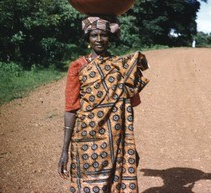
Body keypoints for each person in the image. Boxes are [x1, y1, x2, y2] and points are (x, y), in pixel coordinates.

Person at [58, 16, 149, 193]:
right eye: (94, 35)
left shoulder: (121, 66)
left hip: (115, 140)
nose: (99, 40)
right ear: (87, 39)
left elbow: (128, 107)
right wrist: (64, 150)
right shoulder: (77, 66)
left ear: (110, 37)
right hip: (84, 139)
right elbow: (70, 108)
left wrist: (130, 145)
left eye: (103, 35)